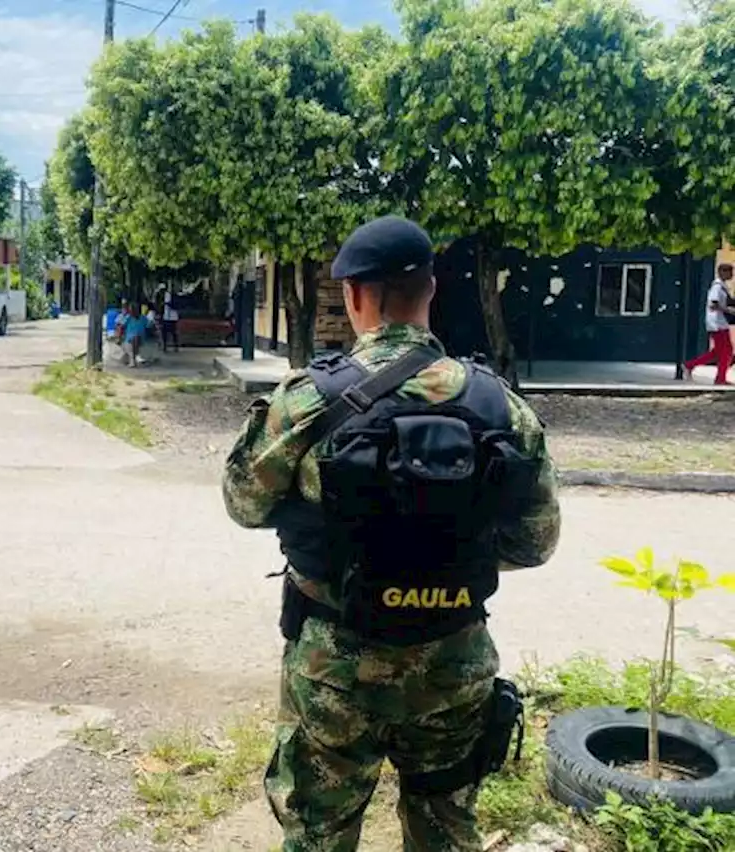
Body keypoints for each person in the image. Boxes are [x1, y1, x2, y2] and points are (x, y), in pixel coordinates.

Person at [222, 215, 561, 852]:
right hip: (453, 662)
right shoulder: (500, 406)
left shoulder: (306, 401)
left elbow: (244, 503)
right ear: (430, 292)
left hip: (333, 669)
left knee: (319, 835)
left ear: (354, 296)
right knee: (445, 832)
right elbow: (535, 542)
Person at [684, 263, 733, 385]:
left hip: (721, 323)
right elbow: (713, 304)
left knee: (717, 352)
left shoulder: (722, 287)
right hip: (717, 324)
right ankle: (720, 378)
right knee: (726, 352)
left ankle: (689, 365)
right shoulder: (717, 288)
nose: (732, 275)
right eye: (730, 272)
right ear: (722, 272)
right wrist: (729, 310)